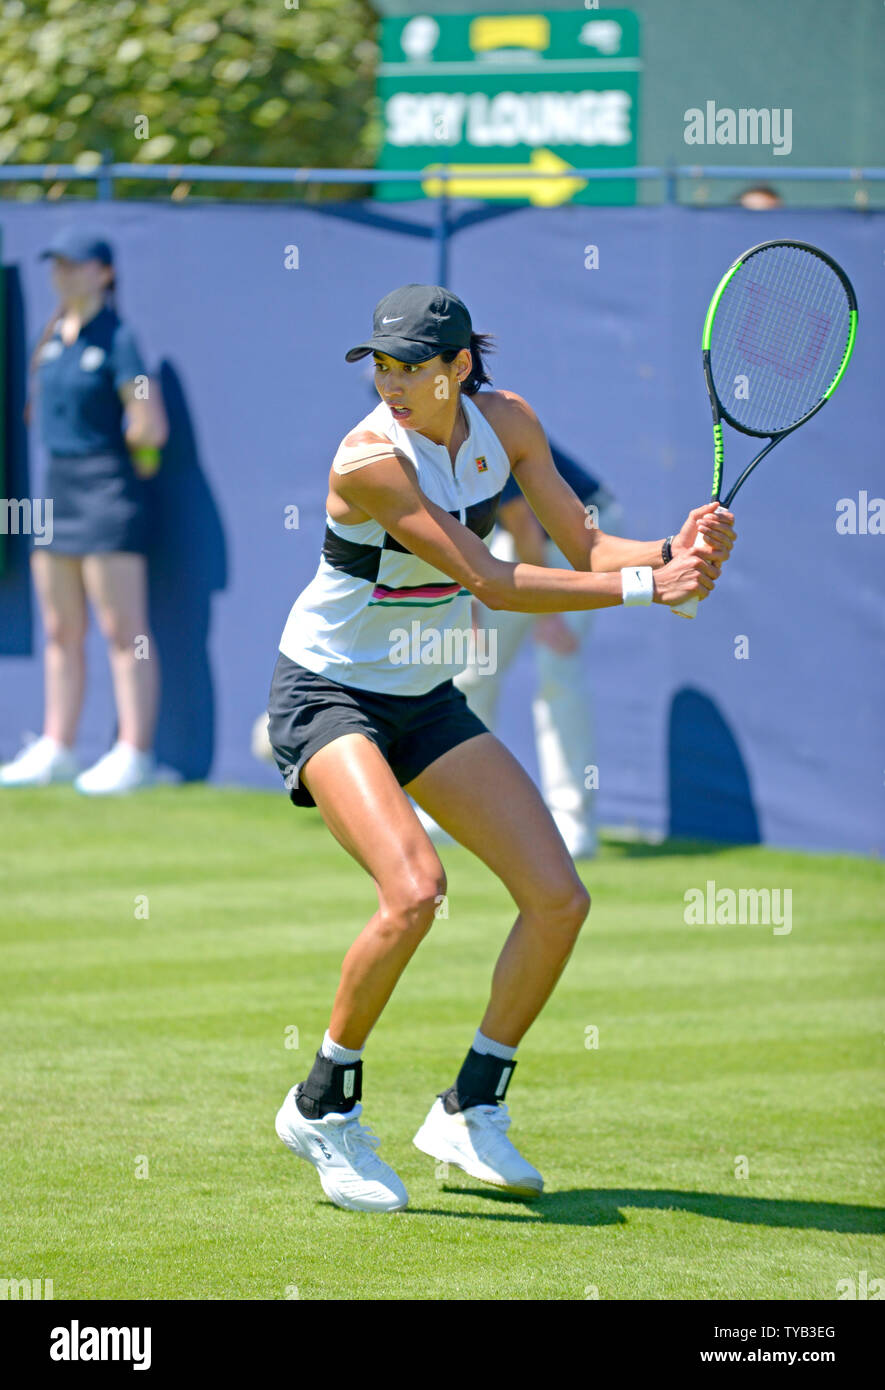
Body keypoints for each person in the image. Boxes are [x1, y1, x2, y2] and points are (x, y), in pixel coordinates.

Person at [267, 284, 736, 1213]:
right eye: (381, 368)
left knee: (558, 898)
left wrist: (669, 549)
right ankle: (322, 1106)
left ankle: (469, 1105)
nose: (391, 386)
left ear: (459, 369)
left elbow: (583, 542)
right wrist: (654, 589)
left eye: (411, 369)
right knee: (414, 891)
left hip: (422, 697)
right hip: (327, 690)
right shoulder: (370, 459)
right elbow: (488, 578)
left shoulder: (509, 421)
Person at [0, 228, 168, 794]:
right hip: (54, 494)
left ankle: (134, 753)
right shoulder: (49, 338)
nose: (63, 275)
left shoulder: (119, 339)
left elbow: (149, 421)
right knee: (58, 628)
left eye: (75, 266)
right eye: (57, 265)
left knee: (124, 630)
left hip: (107, 492)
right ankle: (57, 747)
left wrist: (140, 455)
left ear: (103, 273)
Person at [413, 444, 624, 859]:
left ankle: (573, 823)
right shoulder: (416, 450)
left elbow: (524, 522)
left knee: (557, 669)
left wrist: (548, 613)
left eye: (413, 373)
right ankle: (454, 807)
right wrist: (466, 595)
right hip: (517, 540)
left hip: (580, 540)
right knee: (471, 669)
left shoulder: (483, 432)